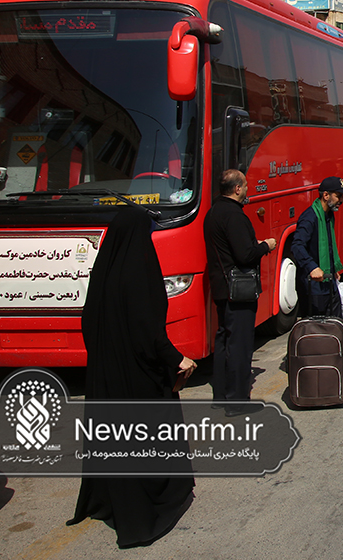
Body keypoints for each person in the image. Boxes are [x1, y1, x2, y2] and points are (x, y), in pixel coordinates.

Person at [69, 207, 198, 548]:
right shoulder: (139, 271)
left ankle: (109, 500)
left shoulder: (104, 271)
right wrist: (178, 359)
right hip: (136, 377)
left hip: (106, 375)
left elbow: (88, 322)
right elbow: (147, 332)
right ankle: (145, 511)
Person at [204, 169, 275, 406]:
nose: (247, 190)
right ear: (237, 189)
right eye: (245, 186)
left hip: (221, 287)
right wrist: (265, 246)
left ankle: (222, 395)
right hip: (238, 290)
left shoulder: (213, 212)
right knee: (241, 345)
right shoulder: (234, 215)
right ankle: (237, 400)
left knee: (224, 340)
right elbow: (245, 255)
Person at [290, 176, 343, 320]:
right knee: (318, 327)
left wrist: (333, 267)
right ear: (326, 195)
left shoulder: (328, 215)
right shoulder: (309, 218)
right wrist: (312, 267)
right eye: (338, 196)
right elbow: (297, 245)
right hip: (314, 287)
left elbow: (328, 246)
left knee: (335, 322)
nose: (342, 200)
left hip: (328, 281)